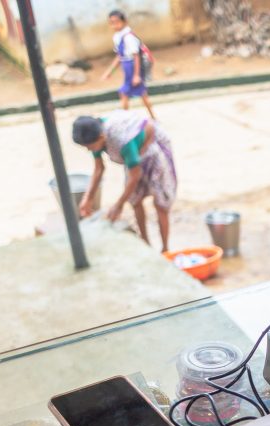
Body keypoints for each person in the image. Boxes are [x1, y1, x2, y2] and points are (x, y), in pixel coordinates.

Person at [72, 112, 177, 252]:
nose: (88, 150)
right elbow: (99, 169)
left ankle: (165, 249)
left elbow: (135, 175)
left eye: (89, 147)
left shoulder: (122, 140)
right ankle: (146, 244)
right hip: (134, 156)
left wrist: (119, 205)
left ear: (102, 137)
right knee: (135, 200)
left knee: (160, 203)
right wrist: (88, 198)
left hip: (152, 150)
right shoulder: (94, 135)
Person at [100, 9, 156, 120]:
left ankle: (126, 119)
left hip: (132, 68)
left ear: (124, 21)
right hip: (127, 67)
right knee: (141, 95)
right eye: (112, 23)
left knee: (125, 94)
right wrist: (109, 72)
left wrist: (136, 75)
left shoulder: (128, 37)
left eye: (117, 22)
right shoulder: (117, 36)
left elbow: (136, 56)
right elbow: (119, 56)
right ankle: (152, 117)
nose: (114, 25)